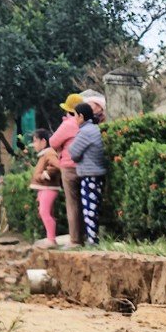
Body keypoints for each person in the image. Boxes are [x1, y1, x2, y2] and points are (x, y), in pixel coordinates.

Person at [66, 95, 108, 246]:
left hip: (90, 174)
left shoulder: (85, 131)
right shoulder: (94, 129)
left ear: (81, 116)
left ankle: (92, 240)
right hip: (97, 173)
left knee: (89, 208)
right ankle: (93, 238)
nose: (75, 119)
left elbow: (73, 152)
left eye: (75, 116)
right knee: (93, 206)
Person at [47, 94, 85, 247]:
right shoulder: (86, 124)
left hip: (69, 167)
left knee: (72, 203)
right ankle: (87, 235)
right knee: (84, 203)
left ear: (69, 111)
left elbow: (52, 141)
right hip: (85, 166)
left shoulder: (68, 124)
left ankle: (75, 240)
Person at [26, 127, 61, 248]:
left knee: (44, 212)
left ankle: (51, 239)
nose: (34, 144)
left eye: (35, 141)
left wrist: (46, 174)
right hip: (44, 188)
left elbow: (58, 166)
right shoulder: (45, 154)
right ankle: (50, 238)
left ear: (43, 141)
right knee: (45, 213)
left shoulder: (49, 153)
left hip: (49, 188)